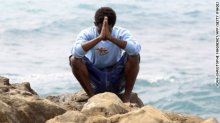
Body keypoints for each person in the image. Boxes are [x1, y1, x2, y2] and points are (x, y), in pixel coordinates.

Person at [69, 7, 141, 102]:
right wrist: (99, 38)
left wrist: (111, 38)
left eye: (109, 28)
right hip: (95, 78)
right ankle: (92, 97)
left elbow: (135, 49)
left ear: (113, 25)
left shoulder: (121, 32)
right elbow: (75, 52)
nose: (104, 31)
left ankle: (126, 98)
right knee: (74, 59)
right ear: (95, 24)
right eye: (100, 28)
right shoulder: (87, 33)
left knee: (134, 57)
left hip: (116, 77)